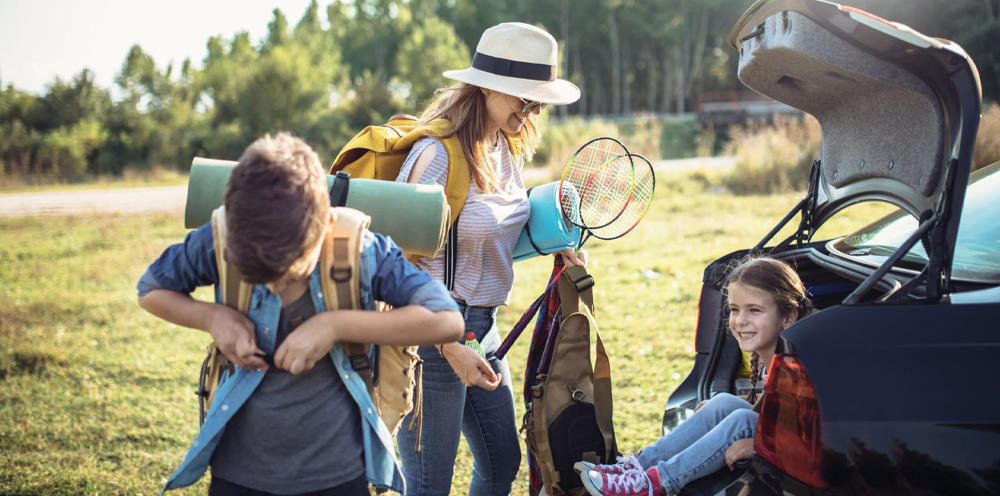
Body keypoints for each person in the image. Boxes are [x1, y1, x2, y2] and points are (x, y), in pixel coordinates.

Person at [136, 133, 464, 496]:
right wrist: (212, 317)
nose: (275, 288)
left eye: (290, 273)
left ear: (326, 224)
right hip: (236, 473)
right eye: (257, 276)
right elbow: (150, 289)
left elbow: (447, 320)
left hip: (337, 475)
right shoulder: (222, 238)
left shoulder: (361, 252)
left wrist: (334, 325)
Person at [393, 22, 584, 496]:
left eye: (540, 100)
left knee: (502, 463)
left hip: (484, 326)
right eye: (527, 97)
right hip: (431, 332)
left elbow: (495, 225)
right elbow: (393, 263)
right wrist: (447, 344)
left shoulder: (503, 146)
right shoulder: (435, 155)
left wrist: (558, 244)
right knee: (429, 483)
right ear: (490, 87)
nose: (534, 109)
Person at [576, 257, 813, 496]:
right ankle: (639, 467)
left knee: (742, 419)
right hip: (784, 441)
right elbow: (770, 411)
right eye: (734, 310)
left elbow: (817, 443)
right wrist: (718, 413)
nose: (741, 320)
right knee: (724, 403)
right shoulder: (776, 357)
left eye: (754, 310)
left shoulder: (800, 369)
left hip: (803, 457)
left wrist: (758, 447)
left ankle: (656, 484)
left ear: (788, 317)